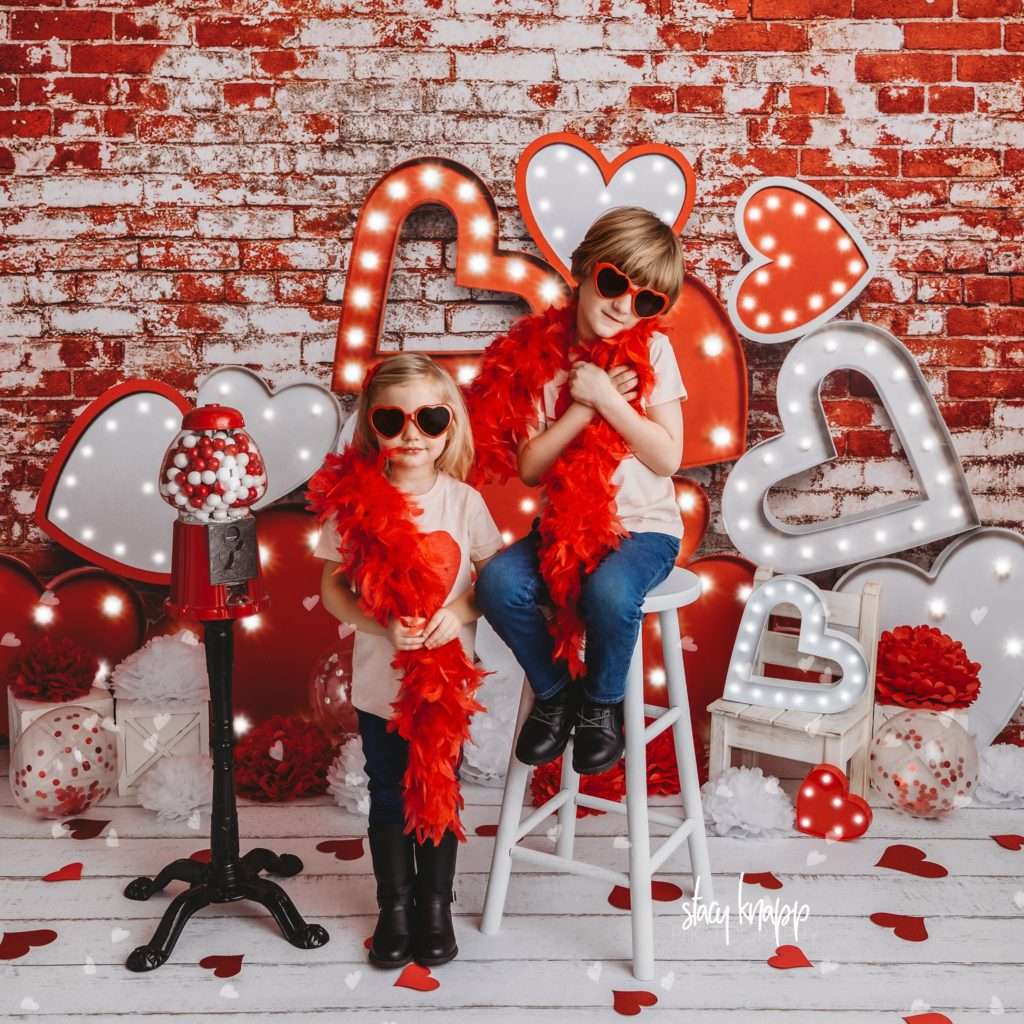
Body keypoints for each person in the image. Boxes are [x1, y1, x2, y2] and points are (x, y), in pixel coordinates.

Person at [472, 206, 686, 777]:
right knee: (496, 583)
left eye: (645, 300)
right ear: (584, 269)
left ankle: (601, 705)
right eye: (615, 282)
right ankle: (556, 691)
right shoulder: (541, 357)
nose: (623, 305)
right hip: (562, 530)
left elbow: (667, 457)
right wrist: (582, 404)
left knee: (611, 595)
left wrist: (614, 403)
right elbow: (532, 468)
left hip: (644, 531)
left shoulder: (653, 354)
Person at [310, 353, 503, 970]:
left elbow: (494, 576)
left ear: (451, 426)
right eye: (393, 421)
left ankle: (436, 908)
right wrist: (379, 625)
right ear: (372, 428)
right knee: (389, 792)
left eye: (430, 418)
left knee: (438, 790)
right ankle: (394, 908)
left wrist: (462, 611)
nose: (412, 435)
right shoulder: (356, 502)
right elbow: (334, 585)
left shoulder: (464, 502)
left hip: (444, 690)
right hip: (378, 683)